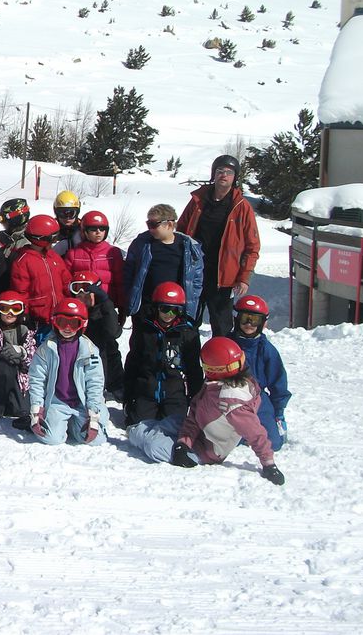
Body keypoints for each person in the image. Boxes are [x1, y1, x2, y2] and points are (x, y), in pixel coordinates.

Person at [127, 337, 285, 486]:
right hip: (200, 428)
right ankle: (150, 430)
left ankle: (137, 432)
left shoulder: (233, 401)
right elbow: (195, 412)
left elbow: (255, 433)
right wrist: (183, 443)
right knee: (171, 421)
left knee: (153, 446)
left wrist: (269, 464)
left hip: (207, 448)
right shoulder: (214, 383)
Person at [177, 155, 261, 336]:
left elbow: (252, 247)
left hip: (224, 279)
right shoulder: (198, 200)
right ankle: (189, 363)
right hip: (196, 274)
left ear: (235, 177)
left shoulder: (242, 206)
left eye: (229, 172)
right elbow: (181, 232)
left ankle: (220, 364)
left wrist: (244, 277)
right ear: (213, 174)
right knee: (187, 325)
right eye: (219, 171)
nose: (223, 175)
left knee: (222, 329)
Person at [27, 298, 108, 446]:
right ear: (55, 323)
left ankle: (74, 423)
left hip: (81, 402)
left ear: (82, 325)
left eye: (74, 323)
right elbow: (36, 380)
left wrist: (94, 415)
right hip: (58, 402)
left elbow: (95, 382)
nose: (68, 328)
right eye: (62, 322)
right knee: (51, 438)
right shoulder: (46, 350)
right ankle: (60, 422)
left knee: (96, 440)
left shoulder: (90, 351)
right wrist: (36, 411)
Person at [122, 282, 203, 426]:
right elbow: (133, 363)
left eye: (174, 310)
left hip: (174, 393)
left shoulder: (186, 333)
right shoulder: (145, 331)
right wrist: (128, 395)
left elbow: (194, 369)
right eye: (165, 309)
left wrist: (194, 398)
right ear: (156, 308)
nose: (169, 314)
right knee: (137, 424)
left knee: (174, 427)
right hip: (147, 391)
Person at [229, 295, 291, 451]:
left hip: (258, 398)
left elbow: (278, 381)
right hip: (230, 396)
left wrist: (278, 412)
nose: (249, 324)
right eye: (245, 319)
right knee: (227, 441)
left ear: (263, 323)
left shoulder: (266, 349)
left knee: (272, 444)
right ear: (236, 318)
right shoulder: (227, 345)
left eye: (254, 320)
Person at [123, 204, 203, 322]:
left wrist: (191, 300)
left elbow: (196, 279)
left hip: (175, 307)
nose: (150, 229)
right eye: (148, 224)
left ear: (169, 224)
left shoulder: (188, 247)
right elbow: (128, 272)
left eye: (154, 225)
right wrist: (130, 297)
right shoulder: (142, 244)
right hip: (147, 305)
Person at [0, 291, 37, 423]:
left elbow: (34, 364)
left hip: (19, 381)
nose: (10, 313)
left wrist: (22, 354)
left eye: (15, 309)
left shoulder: (26, 332)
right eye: (5, 308)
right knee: (4, 363)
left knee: (20, 411)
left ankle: (13, 403)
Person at [69, 270, 125, 400]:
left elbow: (114, 332)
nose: (82, 295)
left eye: (87, 289)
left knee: (109, 347)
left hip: (105, 360)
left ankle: (115, 384)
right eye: (77, 289)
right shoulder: (72, 312)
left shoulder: (103, 311)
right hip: (82, 362)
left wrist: (106, 302)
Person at [8, 214, 71, 328]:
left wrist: (71, 299)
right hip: (39, 317)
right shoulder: (23, 261)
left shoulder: (54, 257)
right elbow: (21, 292)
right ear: (41, 239)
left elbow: (66, 282)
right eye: (52, 239)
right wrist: (24, 312)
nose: (54, 242)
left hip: (60, 315)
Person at [65, 210, 126, 322]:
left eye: (102, 229)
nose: (98, 232)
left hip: (105, 306)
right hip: (81, 306)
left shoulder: (113, 253)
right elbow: (66, 282)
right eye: (93, 229)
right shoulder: (74, 254)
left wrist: (122, 306)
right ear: (85, 231)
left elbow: (120, 282)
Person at [51, 190, 83, 256]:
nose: (67, 218)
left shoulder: (84, 230)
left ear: (77, 213)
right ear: (56, 213)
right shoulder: (50, 229)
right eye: (62, 213)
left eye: (71, 213)